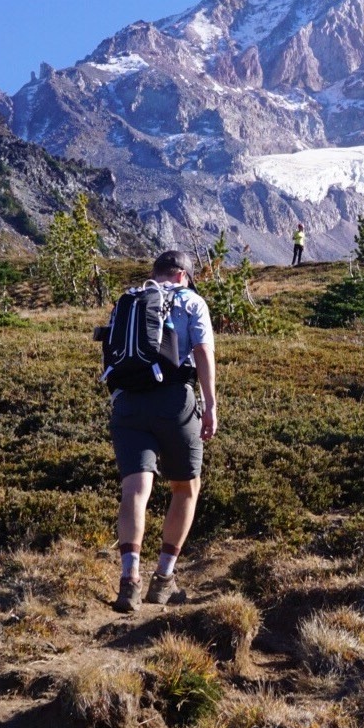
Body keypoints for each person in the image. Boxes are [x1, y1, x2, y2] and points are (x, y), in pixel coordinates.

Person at [107, 250, 218, 613]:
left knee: (135, 490)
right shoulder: (191, 302)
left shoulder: (130, 300)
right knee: (186, 486)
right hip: (174, 403)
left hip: (128, 403)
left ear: (155, 272)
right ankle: (163, 579)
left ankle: (128, 581)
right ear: (183, 275)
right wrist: (210, 403)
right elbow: (202, 352)